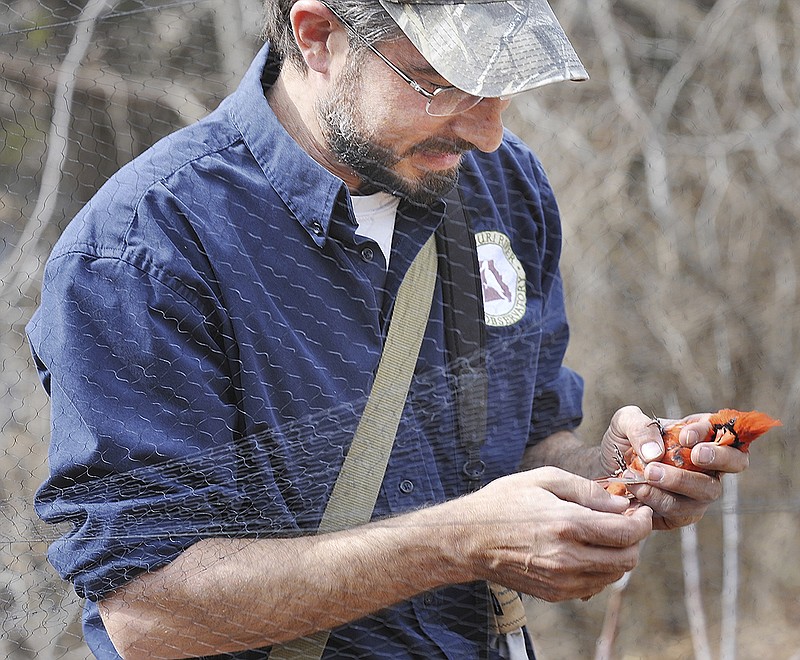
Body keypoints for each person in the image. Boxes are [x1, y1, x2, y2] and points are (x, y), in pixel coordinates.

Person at [27, 0, 750, 658]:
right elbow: (148, 615)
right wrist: (459, 540)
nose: (488, 131)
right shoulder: (145, 251)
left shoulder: (505, 187)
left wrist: (604, 476)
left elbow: (526, 441)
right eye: (439, 83)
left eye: (500, 83)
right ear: (318, 37)